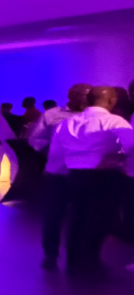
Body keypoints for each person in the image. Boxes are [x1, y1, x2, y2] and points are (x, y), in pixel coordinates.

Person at [46, 86, 133, 271]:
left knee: (78, 218)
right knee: (101, 219)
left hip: (75, 175)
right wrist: (118, 157)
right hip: (105, 175)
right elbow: (131, 146)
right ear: (112, 101)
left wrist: (55, 174)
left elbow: (56, 153)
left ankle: (74, 262)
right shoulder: (114, 121)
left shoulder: (68, 123)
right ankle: (92, 262)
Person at [28, 84, 90, 267]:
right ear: (72, 96)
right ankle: (51, 254)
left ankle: (78, 255)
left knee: (83, 215)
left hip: (86, 174)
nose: (89, 99)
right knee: (53, 215)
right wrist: (55, 152)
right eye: (86, 95)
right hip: (58, 173)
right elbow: (36, 139)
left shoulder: (94, 116)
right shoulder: (51, 115)